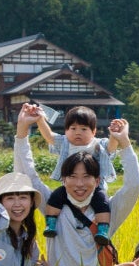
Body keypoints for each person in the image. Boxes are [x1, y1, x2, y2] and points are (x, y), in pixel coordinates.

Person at [11, 105, 139, 266]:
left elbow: (134, 186)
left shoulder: (108, 212)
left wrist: (125, 143)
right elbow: (27, 176)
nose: (79, 184)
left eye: (86, 176)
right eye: (72, 177)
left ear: (97, 180)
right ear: (63, 179)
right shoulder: (53, 206)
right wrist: (22, 130)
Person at [36, 105, 116, 246]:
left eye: (84, 129)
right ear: (66, 130)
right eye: (73, 129)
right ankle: (51, 223)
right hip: (69, 187)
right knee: (55, 197)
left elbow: (111, 148)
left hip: (94, 188)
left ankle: (103, 229)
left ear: (94, 131)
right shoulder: (64, 143)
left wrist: (115, 134)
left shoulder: (97, 144)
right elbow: (49, 136)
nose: (78, 132)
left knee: (102, 203)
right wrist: (40, 119)